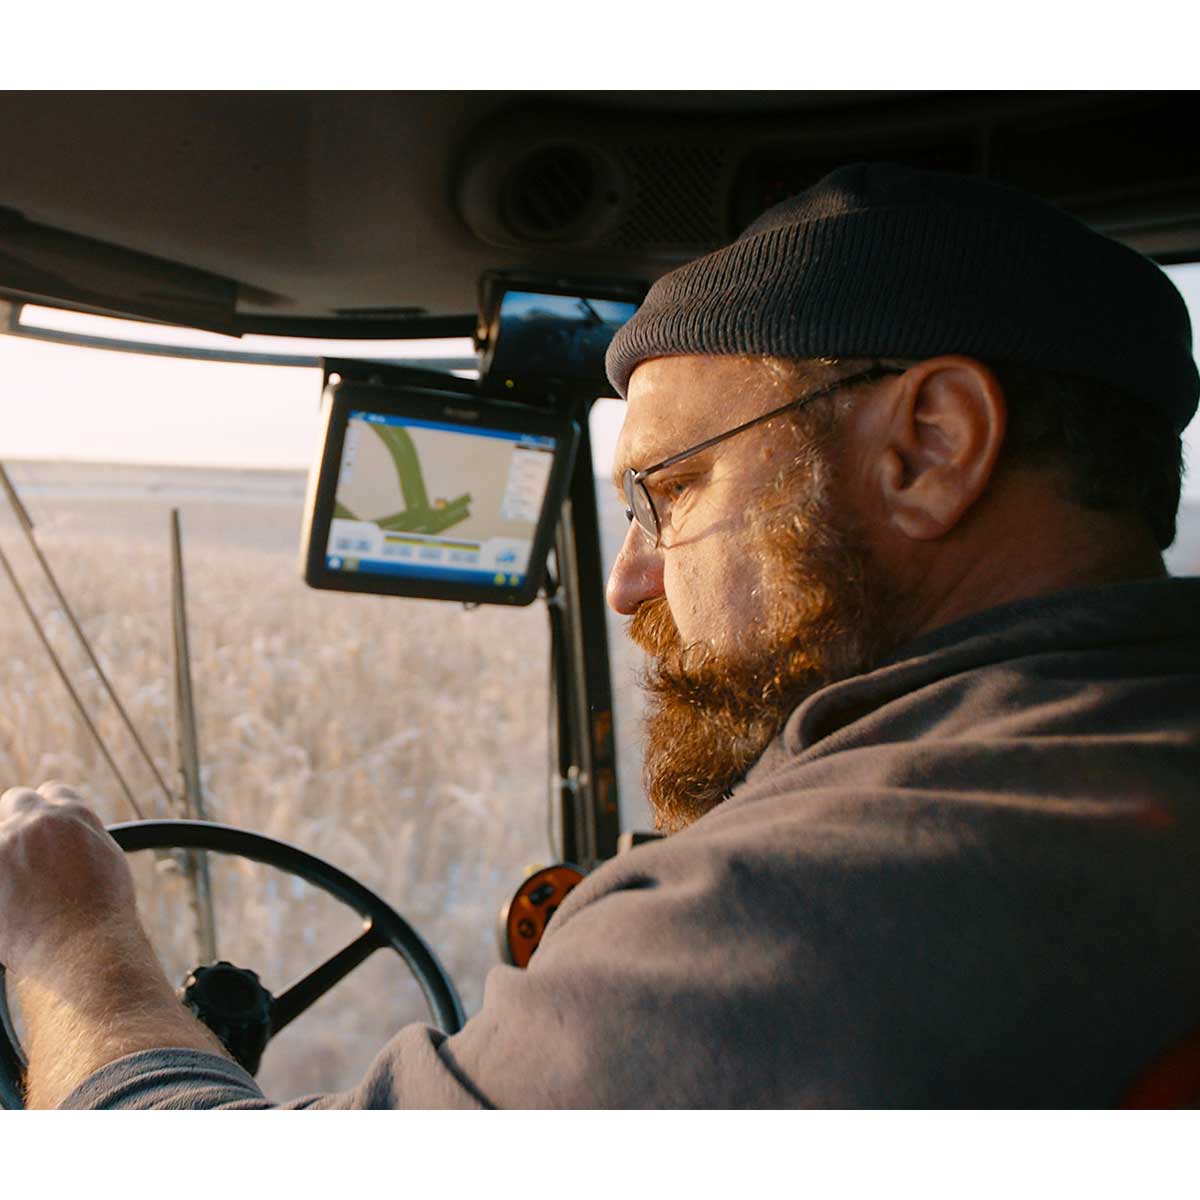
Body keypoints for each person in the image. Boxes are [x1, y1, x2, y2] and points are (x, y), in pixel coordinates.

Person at [2, 161, 1198, 1108]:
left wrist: (76, 938)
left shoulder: (809, 906)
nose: (628, 582)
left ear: (929, 446)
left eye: (668, 493)